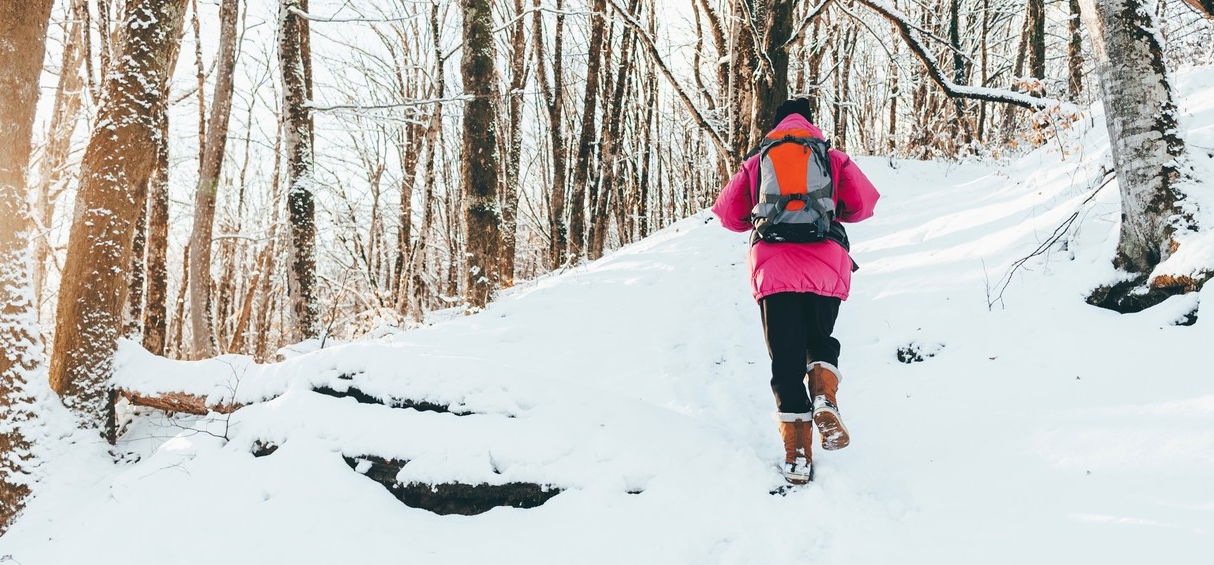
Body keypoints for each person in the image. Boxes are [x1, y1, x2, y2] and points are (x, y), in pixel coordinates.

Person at [712, 98, 880, 484]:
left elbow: (726, 214)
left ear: (775, 124)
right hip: (825, 263)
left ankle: (798, 456)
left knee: (785, 360)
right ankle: (825, 396)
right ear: (811, 123)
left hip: (773, 268)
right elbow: (863, 206)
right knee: (819, 338)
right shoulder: (831, 156)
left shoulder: (759, 159)